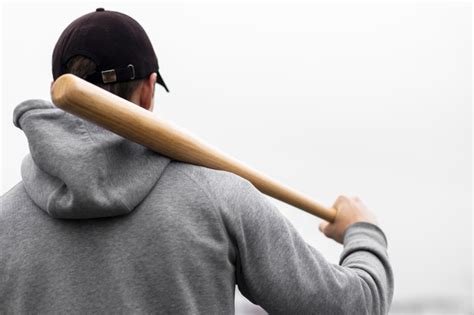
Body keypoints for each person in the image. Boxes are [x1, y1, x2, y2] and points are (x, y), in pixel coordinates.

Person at [0, 8, 393, 314]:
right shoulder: (222, 199)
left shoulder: (4, 220)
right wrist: (363, 231)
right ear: (149, 91)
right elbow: (354, 306)